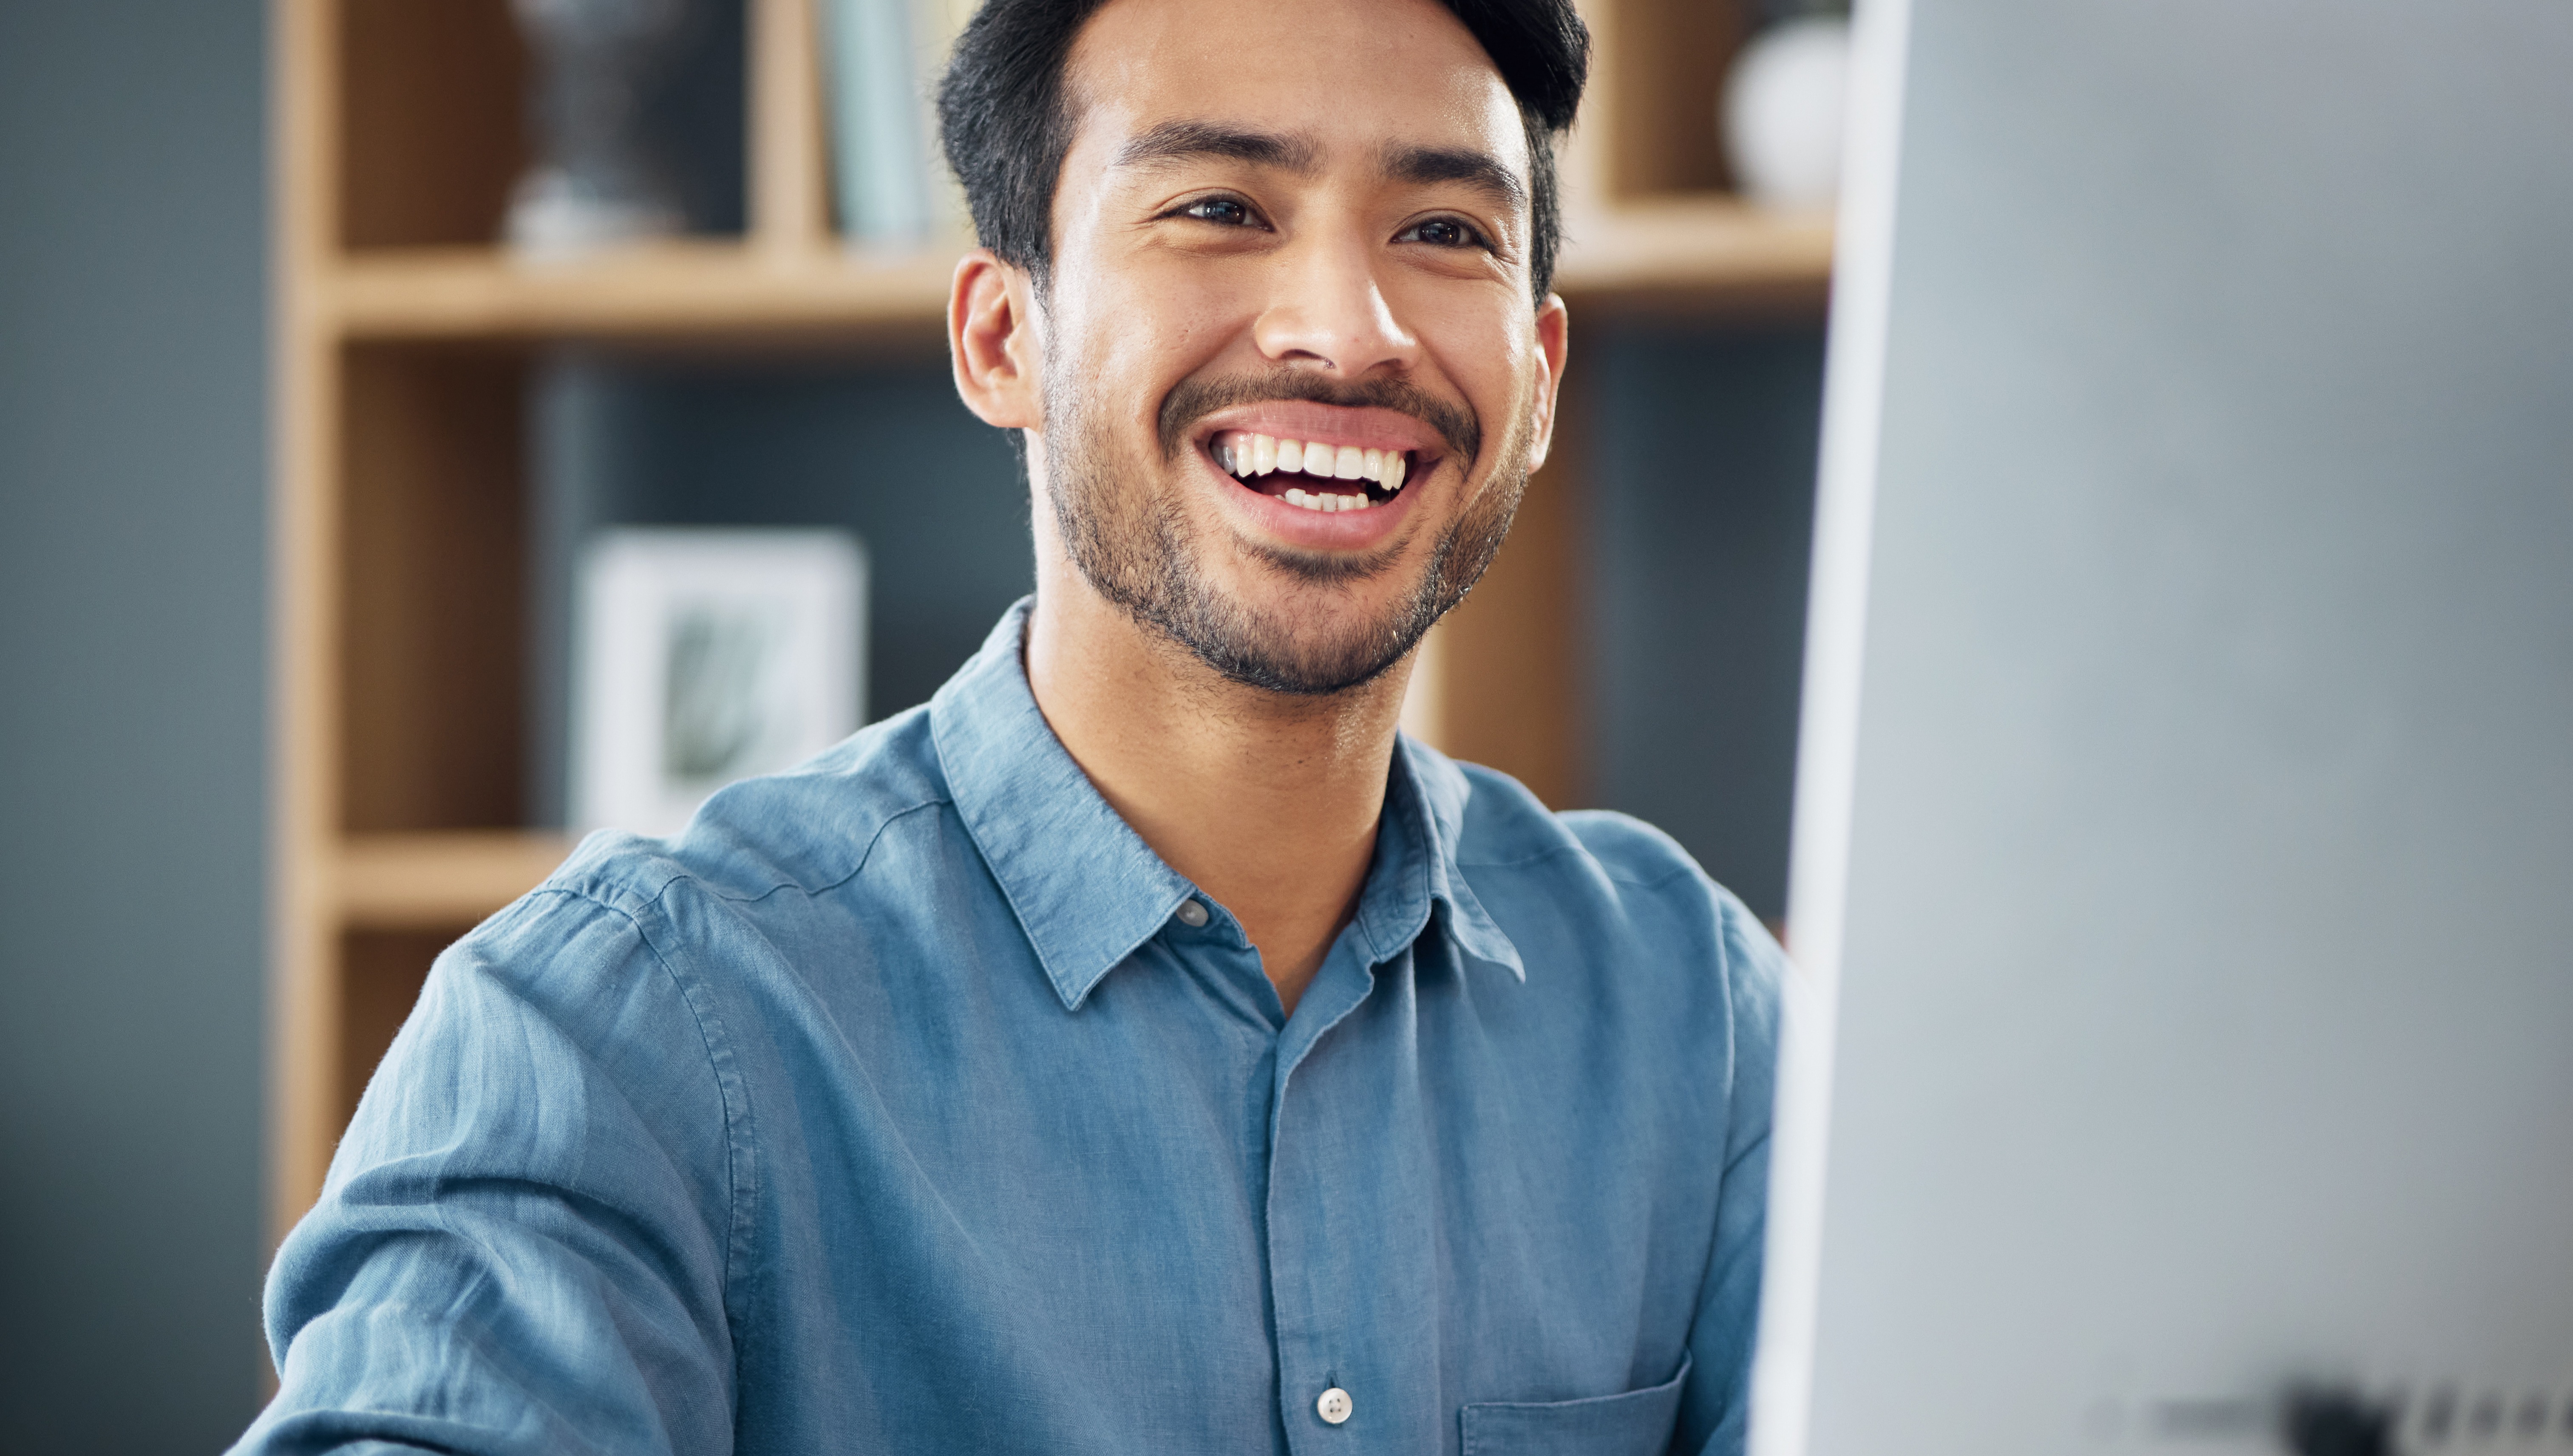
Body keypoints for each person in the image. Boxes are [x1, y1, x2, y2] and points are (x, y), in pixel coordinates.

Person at [230, 0, 1780, 1450]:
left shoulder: (1691, 1015)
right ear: (1000, 339)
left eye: (1446, 230)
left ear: (1543, 371)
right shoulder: (622, 1028)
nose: (1349, 329)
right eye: (1222, 207)